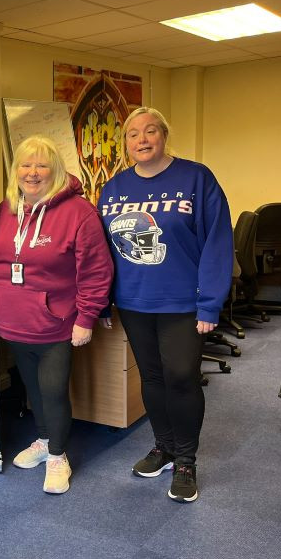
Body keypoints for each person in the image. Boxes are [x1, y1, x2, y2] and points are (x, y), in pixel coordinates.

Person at [99, 107, 232, 503]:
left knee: (181, 377)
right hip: (134, 301)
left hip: (183, 303)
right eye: (133, 134)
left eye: (150, 131)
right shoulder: (114, 188)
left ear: (164, 135)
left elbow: (217, 243)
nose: (142, 139)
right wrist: (103, 302)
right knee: (152, 378)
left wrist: (209, 304)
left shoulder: (195, 178)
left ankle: (187, 460)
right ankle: (164, 447)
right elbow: (102, 251)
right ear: (125, 143)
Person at [0, 136, 113, 495]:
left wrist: (86, 317)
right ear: (16, 172)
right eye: (25, 165)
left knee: (52, 389)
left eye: (41, 165)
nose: (32, 173)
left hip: (56, 323)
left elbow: (96, 270)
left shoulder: (79, 212)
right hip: (14, 321)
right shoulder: (5, 208)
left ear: (56, 171)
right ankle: (44, 440)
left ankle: (59, 455)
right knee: (31, 387)